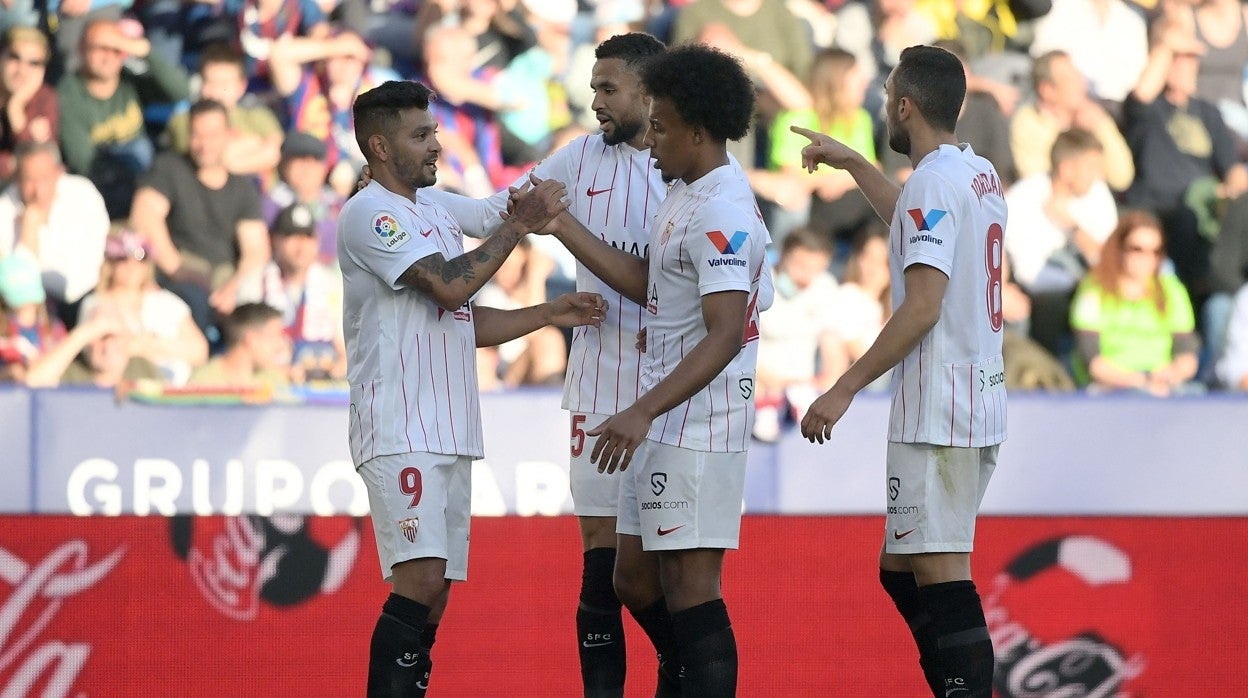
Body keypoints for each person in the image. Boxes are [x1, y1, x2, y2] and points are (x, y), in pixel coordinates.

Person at [420, 32, 670, 696]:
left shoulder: (688, 167)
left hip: (676, 391)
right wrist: (402, 193)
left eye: (607, 90)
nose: (595, 103)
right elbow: (487, 213)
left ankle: (688, 668)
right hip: (597, 381)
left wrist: (564, 230)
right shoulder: (578, 159)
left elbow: (659, 285)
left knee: (667, 573)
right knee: (600, 571)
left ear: (648, 92)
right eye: (592, 89)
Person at [338, 79, 604, 697]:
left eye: (434, 130)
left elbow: (464, 312)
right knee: (421, 580)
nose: (436, 144)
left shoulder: (431, 207)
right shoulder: (367, 214)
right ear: (379, 145)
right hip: (399, 426)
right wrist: (519, 228)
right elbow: (453, 285)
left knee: (436, 594)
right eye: (421, 134)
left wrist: (546, 312)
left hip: (451, 427)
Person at [539, 44, 768, 696]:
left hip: (698, 425)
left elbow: (725, 333)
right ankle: (690, 678)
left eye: (661, 128)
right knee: (631, 579)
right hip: (661, 416)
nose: (651, 142)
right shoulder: (683, 195)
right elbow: (650, 284)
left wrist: (642, 409)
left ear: (697, 131)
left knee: (692, 588)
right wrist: (561, 224)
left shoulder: (723, 211)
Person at [793, 44, 1008, 697]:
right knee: (901, 567)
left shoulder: (933, 186)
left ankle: (965, 687)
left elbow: (921, 308)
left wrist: (843, 386)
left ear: (905, 105)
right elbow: (917, 231)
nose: (883, 103)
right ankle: (956, 681)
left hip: (940, 410)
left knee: (940, 575)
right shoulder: (977, 174)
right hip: (978, 396)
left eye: (888, 94)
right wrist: (858, 163)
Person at [130, 99, 270, 344]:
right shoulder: (169, 169)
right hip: (178, 272)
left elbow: (256, 250)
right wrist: (180, 270)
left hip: (225, 277)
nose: (204, 145)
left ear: (229, 135)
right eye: (197, 136)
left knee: (256, 293)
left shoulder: (242, 189)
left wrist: (233, 287)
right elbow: (144, 217)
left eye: (213, 136)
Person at [1069, 210, 1202, 395]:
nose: (1147, 258)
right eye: (1137, 249)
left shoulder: (1172, 289)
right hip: (1111, 386)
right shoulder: (1094, 289)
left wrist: (1171, 374)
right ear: (1120, 248)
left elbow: (1187, 353)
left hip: (1162, 383)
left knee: (1197, 395)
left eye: (1155, 251)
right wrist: (1137, 381)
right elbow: (1091, 359)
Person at [78, 227, 209, 387]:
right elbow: (97, 352)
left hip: (175, 390)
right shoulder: (96, 304)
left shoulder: (167, 302)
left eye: (141, 257)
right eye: (122, 257)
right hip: (126, 389)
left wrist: (153, 345)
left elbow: (200, 350)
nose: (132, 265)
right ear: (110, 263)